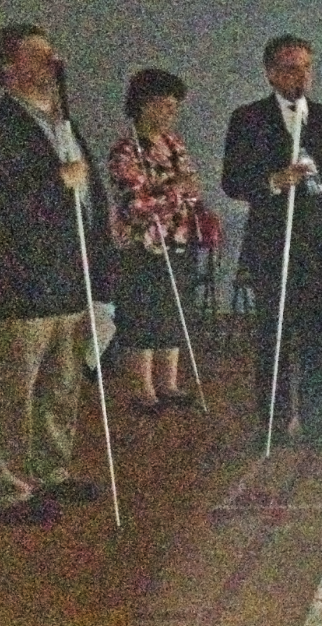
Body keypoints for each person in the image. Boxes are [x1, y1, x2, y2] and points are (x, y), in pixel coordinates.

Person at [0, 24, 113, 523]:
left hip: (70, 278)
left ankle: (51, 471)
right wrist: (55, 182)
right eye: (40, 55)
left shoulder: (65, 124)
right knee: (12, 393)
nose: (55, 62)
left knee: (62, 385)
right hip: (18, 287)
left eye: (53, 52)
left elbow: (88, 195)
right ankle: (8, 489)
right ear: (9, 69)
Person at [221, 34, 322, 451]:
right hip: (272, 246)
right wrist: (273, 181)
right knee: (274, 338)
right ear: (270, 72)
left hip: (320, 247)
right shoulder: (247, 120)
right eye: (290, 67)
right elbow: (232, 181)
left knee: (319, 338)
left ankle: (316, 421)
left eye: (305, 67)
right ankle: (274, 423)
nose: (300, 75)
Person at [108, 68, 211, 413]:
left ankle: (169, 383)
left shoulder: (174, 144)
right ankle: (144, 389)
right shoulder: (126, 149)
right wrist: (175, 193)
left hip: (178, 238)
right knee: (143, 313)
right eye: (164, 106)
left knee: (173, 310)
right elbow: (134, 203)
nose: (170, 113)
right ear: (143, 105)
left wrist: (187, 197)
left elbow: (191, 188)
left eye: (173, 106)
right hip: (142, 244)